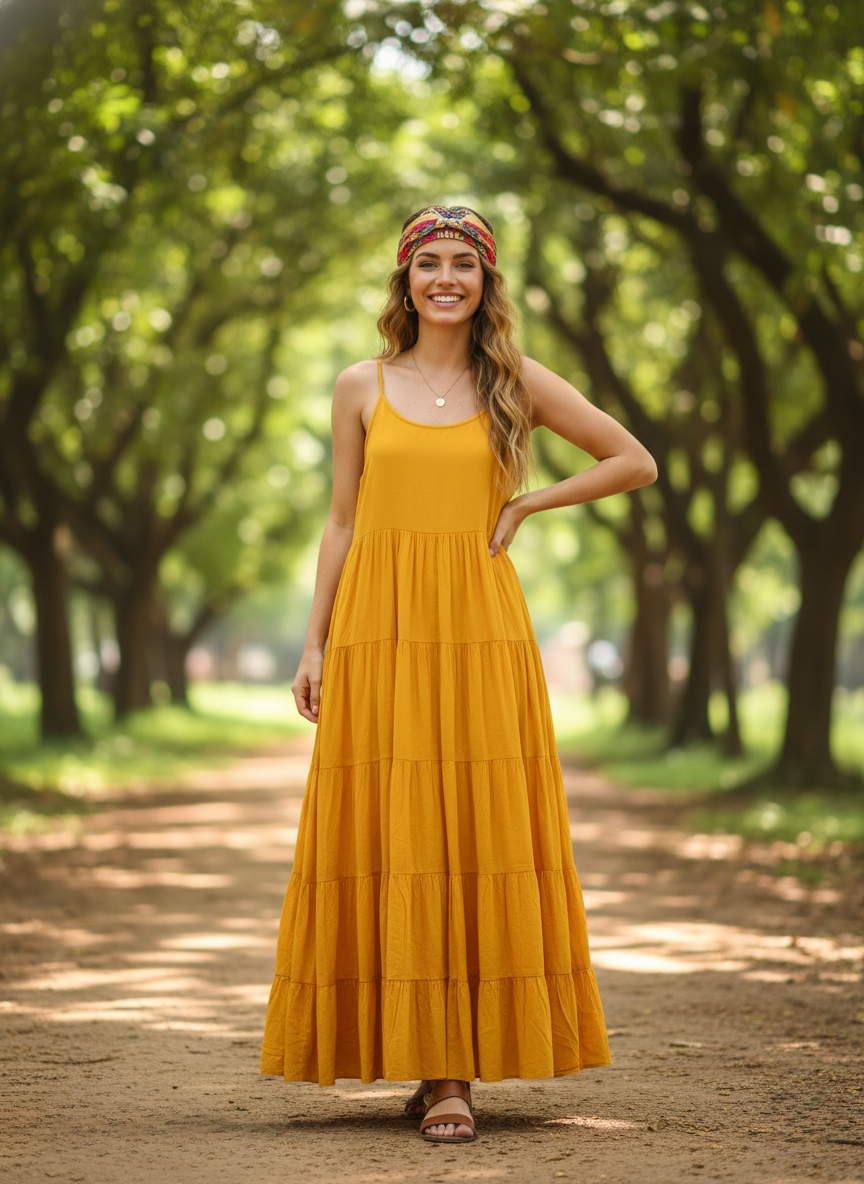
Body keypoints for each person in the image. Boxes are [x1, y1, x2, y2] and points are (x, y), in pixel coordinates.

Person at [259, 205, 658, 1143]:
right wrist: (315, 644)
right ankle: (428, 1058)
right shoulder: (361, 384)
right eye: (428, 263)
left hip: (479, 630)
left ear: (486, 282)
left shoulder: (512, 377)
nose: (447, 278)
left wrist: (526, 506)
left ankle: (453, 1077)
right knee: (400, 832)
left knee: (472, 830)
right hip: (379, 627)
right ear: (405, 280)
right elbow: (342, 523)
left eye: (464, 265)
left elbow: (631, 460)